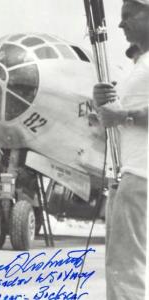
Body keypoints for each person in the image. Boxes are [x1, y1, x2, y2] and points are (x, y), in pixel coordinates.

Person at [93, 1, 148, 299]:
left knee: (127, 270)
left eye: (128, 16)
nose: (120, 24)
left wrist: (125, 115)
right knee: (119, 266)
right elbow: (112, 117)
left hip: (142, 175)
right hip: (128, 174)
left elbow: (125, 116)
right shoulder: (138, 66)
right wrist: (101, 102)